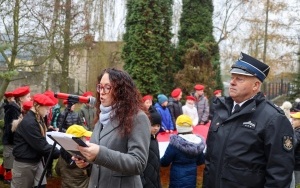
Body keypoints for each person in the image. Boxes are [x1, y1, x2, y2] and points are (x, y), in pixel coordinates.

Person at [203, 52, 294, 187]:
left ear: (255, 85)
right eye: (232, 77)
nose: (232, 82)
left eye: (239, 79)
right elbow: (210, 160)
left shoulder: (273, 119)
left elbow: (279, 175)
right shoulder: (221, 111)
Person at [73, 68, 151, 188]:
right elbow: (100, 163)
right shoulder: (101, 117)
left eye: (107, 87)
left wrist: (99, 153)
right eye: (100, 87)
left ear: (121, 91)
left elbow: (138, 163)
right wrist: (86, 162)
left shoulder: (137, 117)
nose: (101, 92)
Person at [11, 93, 60, 188]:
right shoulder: (30, 122)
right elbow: (41, 145)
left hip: (36, 161)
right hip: (25, 164)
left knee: (41, 185)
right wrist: (60, 152)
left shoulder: (38, 119)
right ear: (38, 107)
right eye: (47, 108)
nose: (48, 111)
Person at [160, 114, 205, 188]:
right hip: (191, 179)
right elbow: (201, 161)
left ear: (178, 127)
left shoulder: (174, 144)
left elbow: (165, 162)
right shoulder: (197, 143)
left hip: (177, 179)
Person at [2, 86, 31, 184]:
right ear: (21, 99)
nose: (30, 99)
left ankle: (2, 173)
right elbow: (10, 128)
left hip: (13, 140)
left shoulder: (18, 108)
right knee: (10, 161)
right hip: (10, 141)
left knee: (9, 160)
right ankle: (7, 178)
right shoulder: (13, 109)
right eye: (28, 97)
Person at [141, 111, 162, 188]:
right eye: (153, 125)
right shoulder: (142, 140)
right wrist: (142, 182)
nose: (156, 128)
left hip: (154, 180)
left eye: (158, 125)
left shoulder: (154, 140)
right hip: (145, 183)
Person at [291, 112, 300, 187]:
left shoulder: (297, 133)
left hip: (297, 165)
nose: (292, 121)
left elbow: (291, 146)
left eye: (294, 120)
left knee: (296, 184)